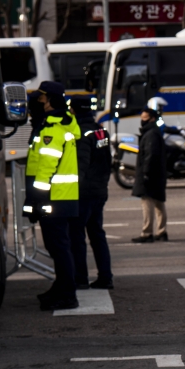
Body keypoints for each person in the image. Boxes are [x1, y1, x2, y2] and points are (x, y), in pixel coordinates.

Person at [23, 81, 81, 311]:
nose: (39, 102)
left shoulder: (53, 129)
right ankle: (61, 288)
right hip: (58, 196)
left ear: (52, 100)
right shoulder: (53, 125)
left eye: (42, 98)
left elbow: (46, 167)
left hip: (54, 196)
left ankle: (68, 294)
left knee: (59, 247)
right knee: (56, 246)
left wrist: (37, 198)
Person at [68, 97, 113, 289]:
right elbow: (107, 160)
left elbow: (81, 165)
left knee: (76, 236)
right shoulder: (100, 130)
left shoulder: (80, 132)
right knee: (97, 235)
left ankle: (80, 278)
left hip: (84, 193)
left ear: (74, 110)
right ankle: (105, 277)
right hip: (99, 190)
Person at [131, 107, 168, 242]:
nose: (142, 121)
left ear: (152, 119)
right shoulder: (155, 132)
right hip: (158, 174)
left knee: (147, 204)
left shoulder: (150, 134)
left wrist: (146, 173)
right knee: (159, 203)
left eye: (145, 119)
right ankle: (161, 231)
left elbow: (150, 156)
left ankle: (147, 233)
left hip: (150, 175)